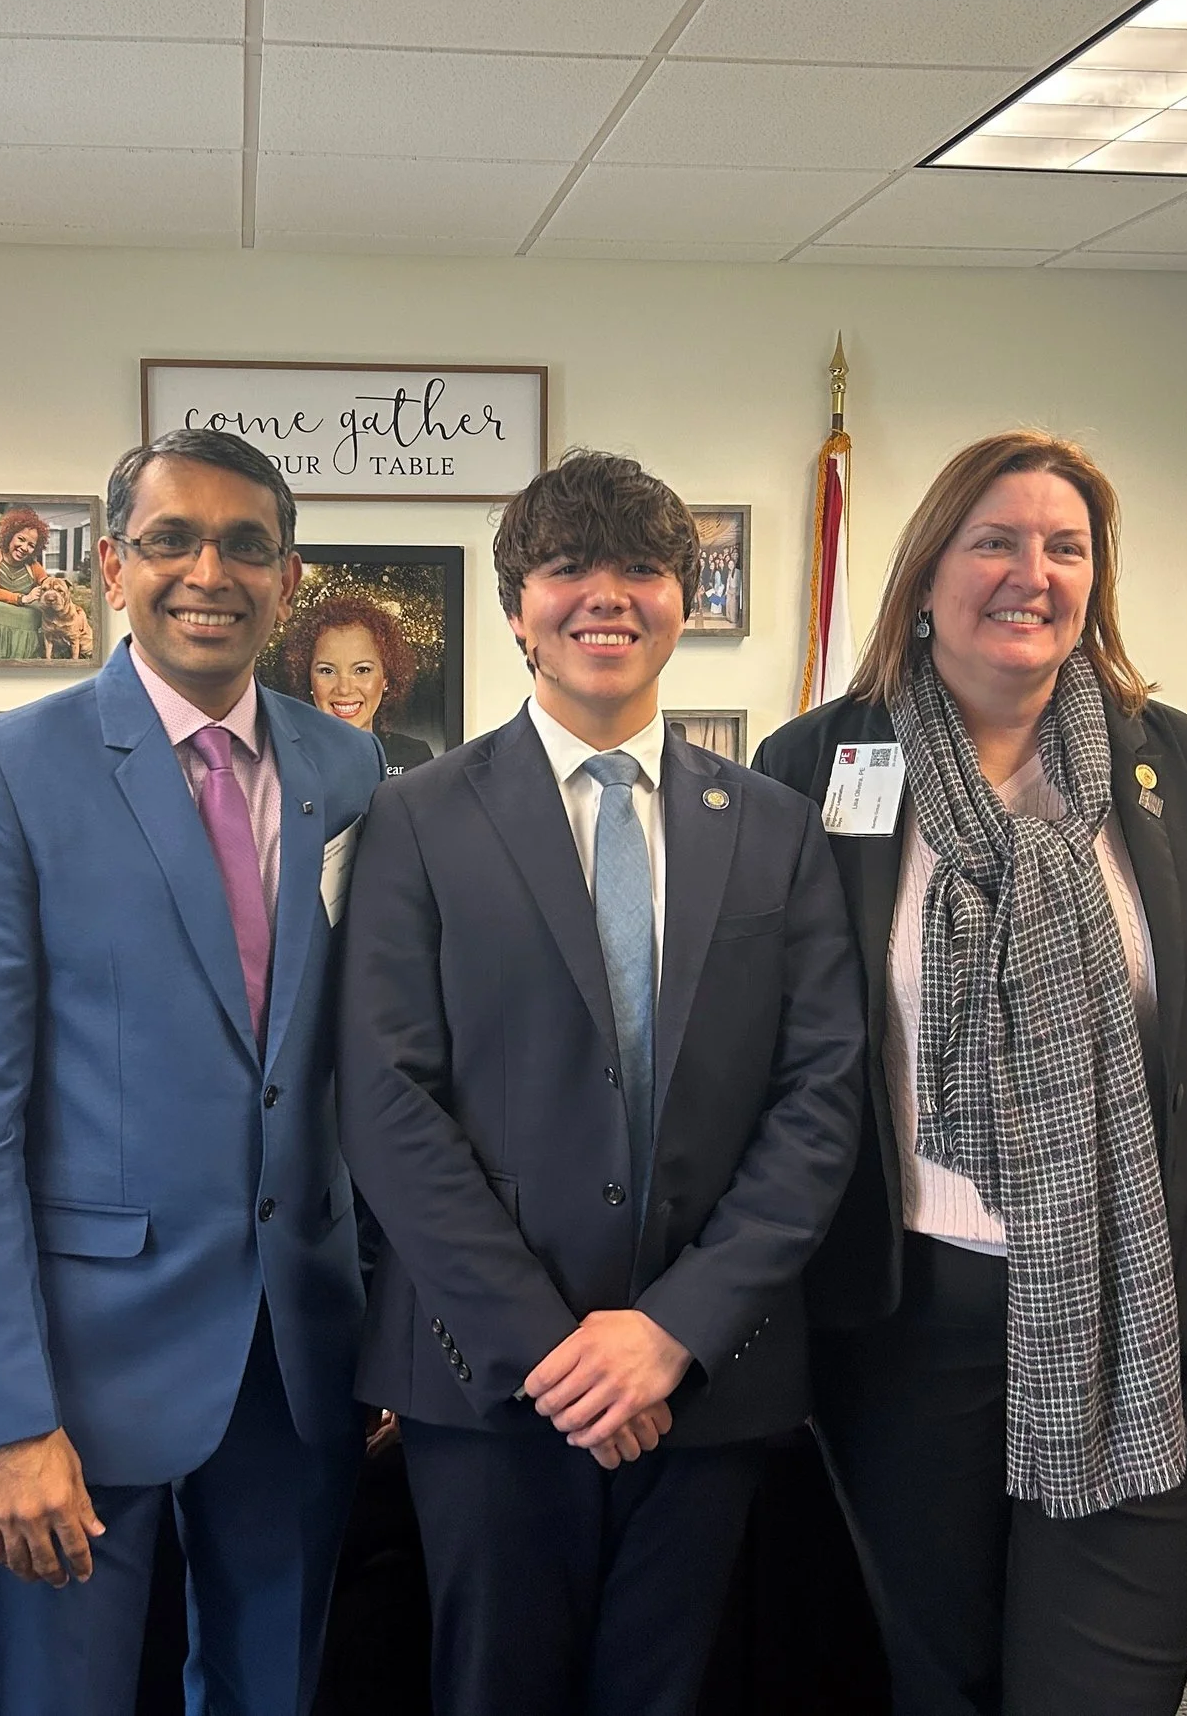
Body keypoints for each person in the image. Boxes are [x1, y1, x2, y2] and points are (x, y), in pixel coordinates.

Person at [753, 430, 1187, 1716]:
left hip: (1134, 1304)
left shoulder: (1173, 767)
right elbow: (775, 1052)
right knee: (928, 1662)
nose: (1031, 572)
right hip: (897, 1310)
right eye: (993, 540)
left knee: (1105, 1677)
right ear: (928, 571)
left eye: (1066, 547)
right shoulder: (816, 763)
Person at [340, 448, 866, 1716]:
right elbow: (387, 1098)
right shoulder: (415, 816)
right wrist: (550, 1349)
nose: (606, 598)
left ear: (684, 598)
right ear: (517, 604)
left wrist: (673, 1330)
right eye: (568, 568)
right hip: (486, 1378)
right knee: (493, 1687)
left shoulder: (774, 827)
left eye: (642, 568)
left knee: (670, 1689)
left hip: (708, 1371)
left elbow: (820, 1096)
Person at [0, 428, 385, 1716]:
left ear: (287, 576)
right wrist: (2, 1416)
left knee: (271, 1686)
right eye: (172, 539)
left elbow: (360, 1069)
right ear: (114, 563)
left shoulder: (349, 769)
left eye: (245, 544)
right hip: (81, 1361)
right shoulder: (4, 773)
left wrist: (389, 1318)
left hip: (297, 1349)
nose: (207, 572)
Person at [280, 588, 435, 775]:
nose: (344, 689)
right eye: (327, 671)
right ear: (308, 678)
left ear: (386, 677)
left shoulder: (414, 758)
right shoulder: (284, 760)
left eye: (362, 670)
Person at [0, 508, 93, 663]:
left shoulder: (33, 565)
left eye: (31, 545)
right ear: (9, 535)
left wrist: (73, 609)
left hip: (28, 612)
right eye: (21, 539)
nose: (25, 547)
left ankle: (26, 651)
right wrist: (23, 598)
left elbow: (51, 585)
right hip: (3, 606)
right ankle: (0, 650)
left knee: (36, 614)